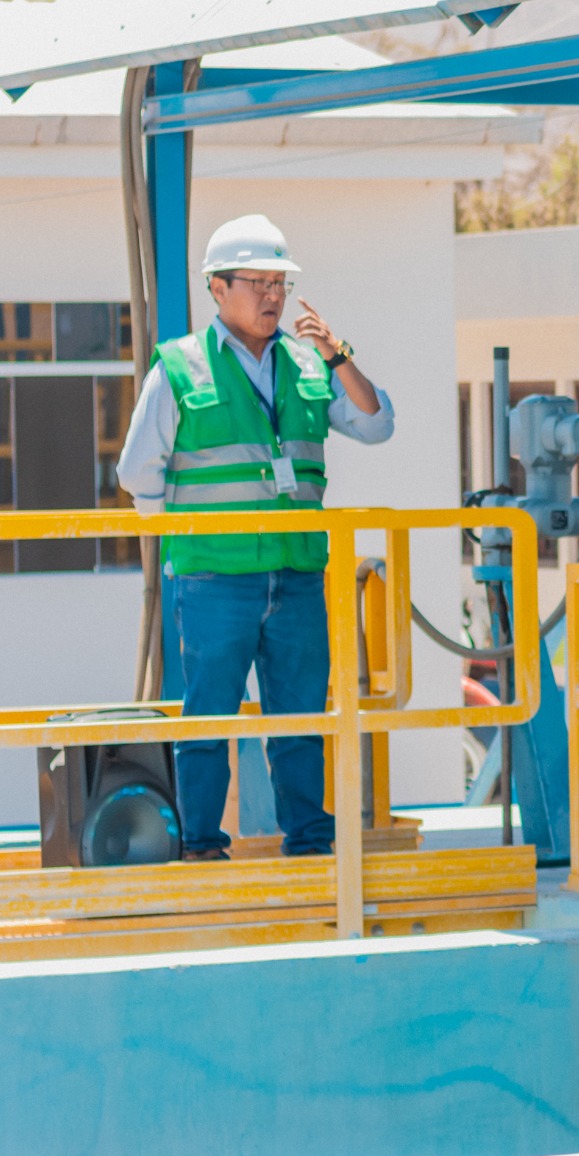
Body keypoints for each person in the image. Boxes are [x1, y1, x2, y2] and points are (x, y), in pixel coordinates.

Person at [115, 215, 396, 860]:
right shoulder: (180, 368)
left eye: (280, 283)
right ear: (217, 288)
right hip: (215, 576)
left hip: (295, 573)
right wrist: (188, 538)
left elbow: (376, 425)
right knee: (209, 719)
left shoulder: (308, 365)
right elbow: (137, 475)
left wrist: (339, 354)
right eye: (258, 282)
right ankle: (203, 848)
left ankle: (311, 844)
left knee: (300, 719)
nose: (273, 296)